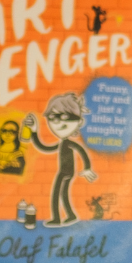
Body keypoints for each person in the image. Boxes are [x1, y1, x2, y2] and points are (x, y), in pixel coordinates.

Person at [24, 93, 98, 226]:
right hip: (64, 171)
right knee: (62, 193)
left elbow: (82, 152)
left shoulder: (69, 143)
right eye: (53, 118)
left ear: (79, 122)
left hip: (66, 172)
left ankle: (58, 218)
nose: (58, 122)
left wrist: (87, 168)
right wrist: (34, 132)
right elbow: (44, 147)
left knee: (57, 193)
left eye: (65, 117)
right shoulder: (62, 143)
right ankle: (70, 215)